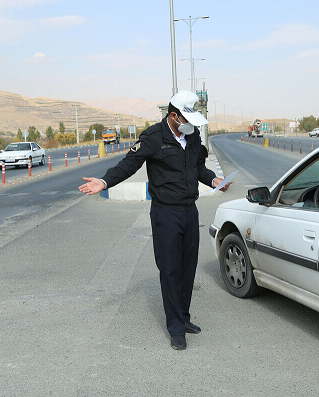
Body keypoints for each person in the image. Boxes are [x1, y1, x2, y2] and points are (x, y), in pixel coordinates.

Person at [79, 90, 230, 350]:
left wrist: (214, 179)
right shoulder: (153, 137)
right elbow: (128, 164)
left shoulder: (192, 138)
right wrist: (104, 182)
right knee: (170, 270)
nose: (191, 125)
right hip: (165, 213)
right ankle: (175, 329)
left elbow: (198, 168)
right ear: (174, 116)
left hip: (189, 211)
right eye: (187, 119)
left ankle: (184, 317)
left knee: (187, 267)